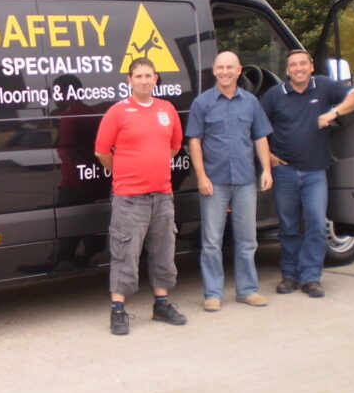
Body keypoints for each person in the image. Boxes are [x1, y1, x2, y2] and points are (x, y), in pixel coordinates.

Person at [261, 49, 354, 298]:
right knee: (288, 226)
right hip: (284, 170)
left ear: (311, 66)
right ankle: (289, 275)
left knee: (317, 224)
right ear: (287, 71)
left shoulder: (325, 87)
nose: (298, 68)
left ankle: (311, 277)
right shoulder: (275, 95)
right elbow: (259, 128)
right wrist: (269, 158)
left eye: (302, 64)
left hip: (315, 172)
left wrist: (333, 112)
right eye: (293, 65)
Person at [94, 57, 185, 335]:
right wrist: (123, 171)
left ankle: (161, 304)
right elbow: (102, 151)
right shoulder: (118, 112)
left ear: (156, 79)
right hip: (130, 198)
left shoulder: (167, 109)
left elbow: (174, 146)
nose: (144, 80)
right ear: (129, 80)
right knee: (125, 254)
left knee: (163, 253)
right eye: (139, 76)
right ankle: (118, 311)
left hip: (162, 196)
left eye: (149, 75)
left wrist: (153, 165)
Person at [185, 51, 273, 312]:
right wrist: (201, 176)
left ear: (239, 71)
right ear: (214, 71)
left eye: (229, 67)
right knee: (212, 241)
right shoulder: (202, 103)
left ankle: (247, 290)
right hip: (215, 181)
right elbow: (194, 142)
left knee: (247, 240)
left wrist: (266, 170)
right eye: (220, 67)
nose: (225, 71)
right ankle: (213, 293)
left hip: (245, 180)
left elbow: (260, 138)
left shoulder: (251, 103)